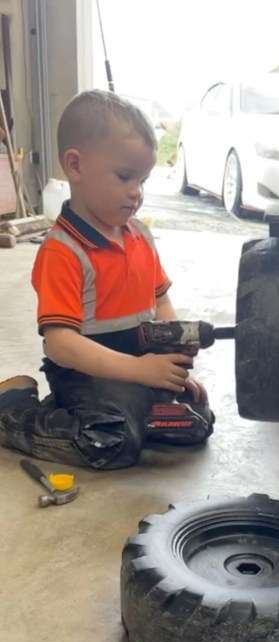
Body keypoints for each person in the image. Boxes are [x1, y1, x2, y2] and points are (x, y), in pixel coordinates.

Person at [0, 90, 213, 469]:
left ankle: (122, 413)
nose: (137, 193)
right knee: (108, 444)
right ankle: (13, 410)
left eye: (143, 180)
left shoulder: (139, 237)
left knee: (195, 422)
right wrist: (140, 371)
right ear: (76, 166)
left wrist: (170, 358)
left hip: (136, 367)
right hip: (86, 375)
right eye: (124, 177)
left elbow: (160, 301)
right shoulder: (63, 252)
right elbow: (62, 344)